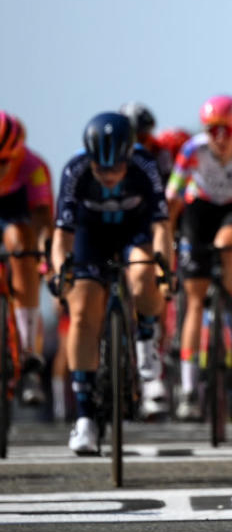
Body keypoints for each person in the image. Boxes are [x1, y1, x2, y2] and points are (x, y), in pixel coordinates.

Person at [51, 112, 173, 452]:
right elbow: (62, 236)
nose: (108, 176)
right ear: (89, 160)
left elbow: (162, 227)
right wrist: (61, 272)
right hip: (91, 237)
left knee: (142, 273)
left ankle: (147, 340)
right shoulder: (74, 171)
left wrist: (164, 269)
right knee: (82, 311)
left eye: (116, 168)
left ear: (127, 157)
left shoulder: (144, 165)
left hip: (133, 231)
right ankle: (85, 418)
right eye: (101, 169)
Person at [166, 96, 232, 421]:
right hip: (200, 209)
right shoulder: (193, 150)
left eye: (226, 130)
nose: (219, 137)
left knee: (228, 244)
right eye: (212, 130)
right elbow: (173, 198)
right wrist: (168, 239)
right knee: (193, 299)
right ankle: (189, 389)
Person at [0, 111, 54, 405]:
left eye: (3, 163)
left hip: (15, 212)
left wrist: (44, 257)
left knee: (23, 247)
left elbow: (44, 220)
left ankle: (28, 352)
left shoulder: (32, 167)